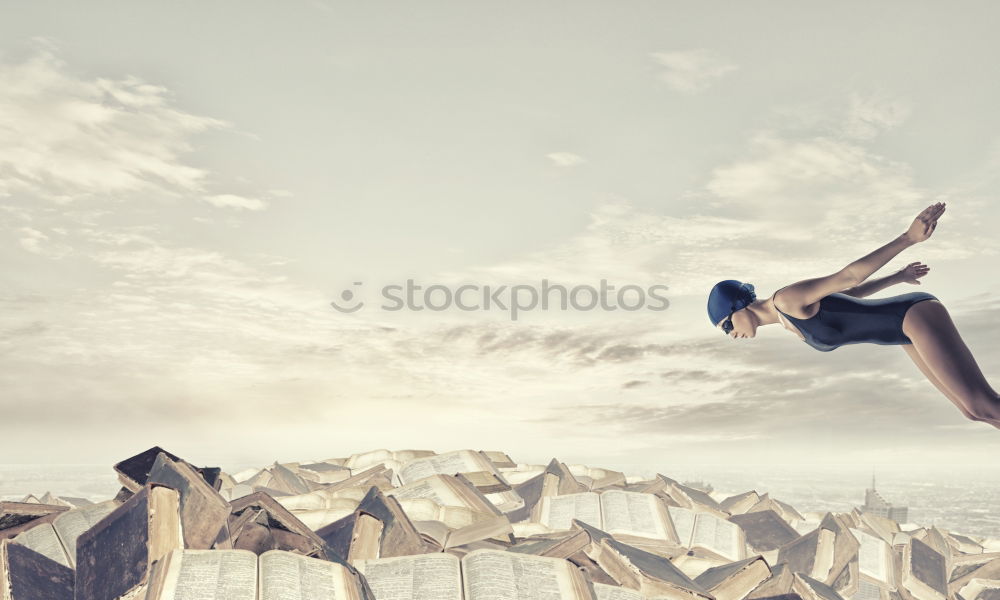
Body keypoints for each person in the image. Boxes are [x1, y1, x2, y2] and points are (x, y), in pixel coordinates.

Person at [707, 202, 1000, 428]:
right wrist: (898, 277)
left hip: (913, 316)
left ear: (738, 307)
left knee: (983, 404)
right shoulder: (789, 318)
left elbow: (849, 277)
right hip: (902, 332)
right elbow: (851, 298)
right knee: (972, 412)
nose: (732, 334)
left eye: (727, 325)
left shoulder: (786, 300)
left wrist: (907, 238)